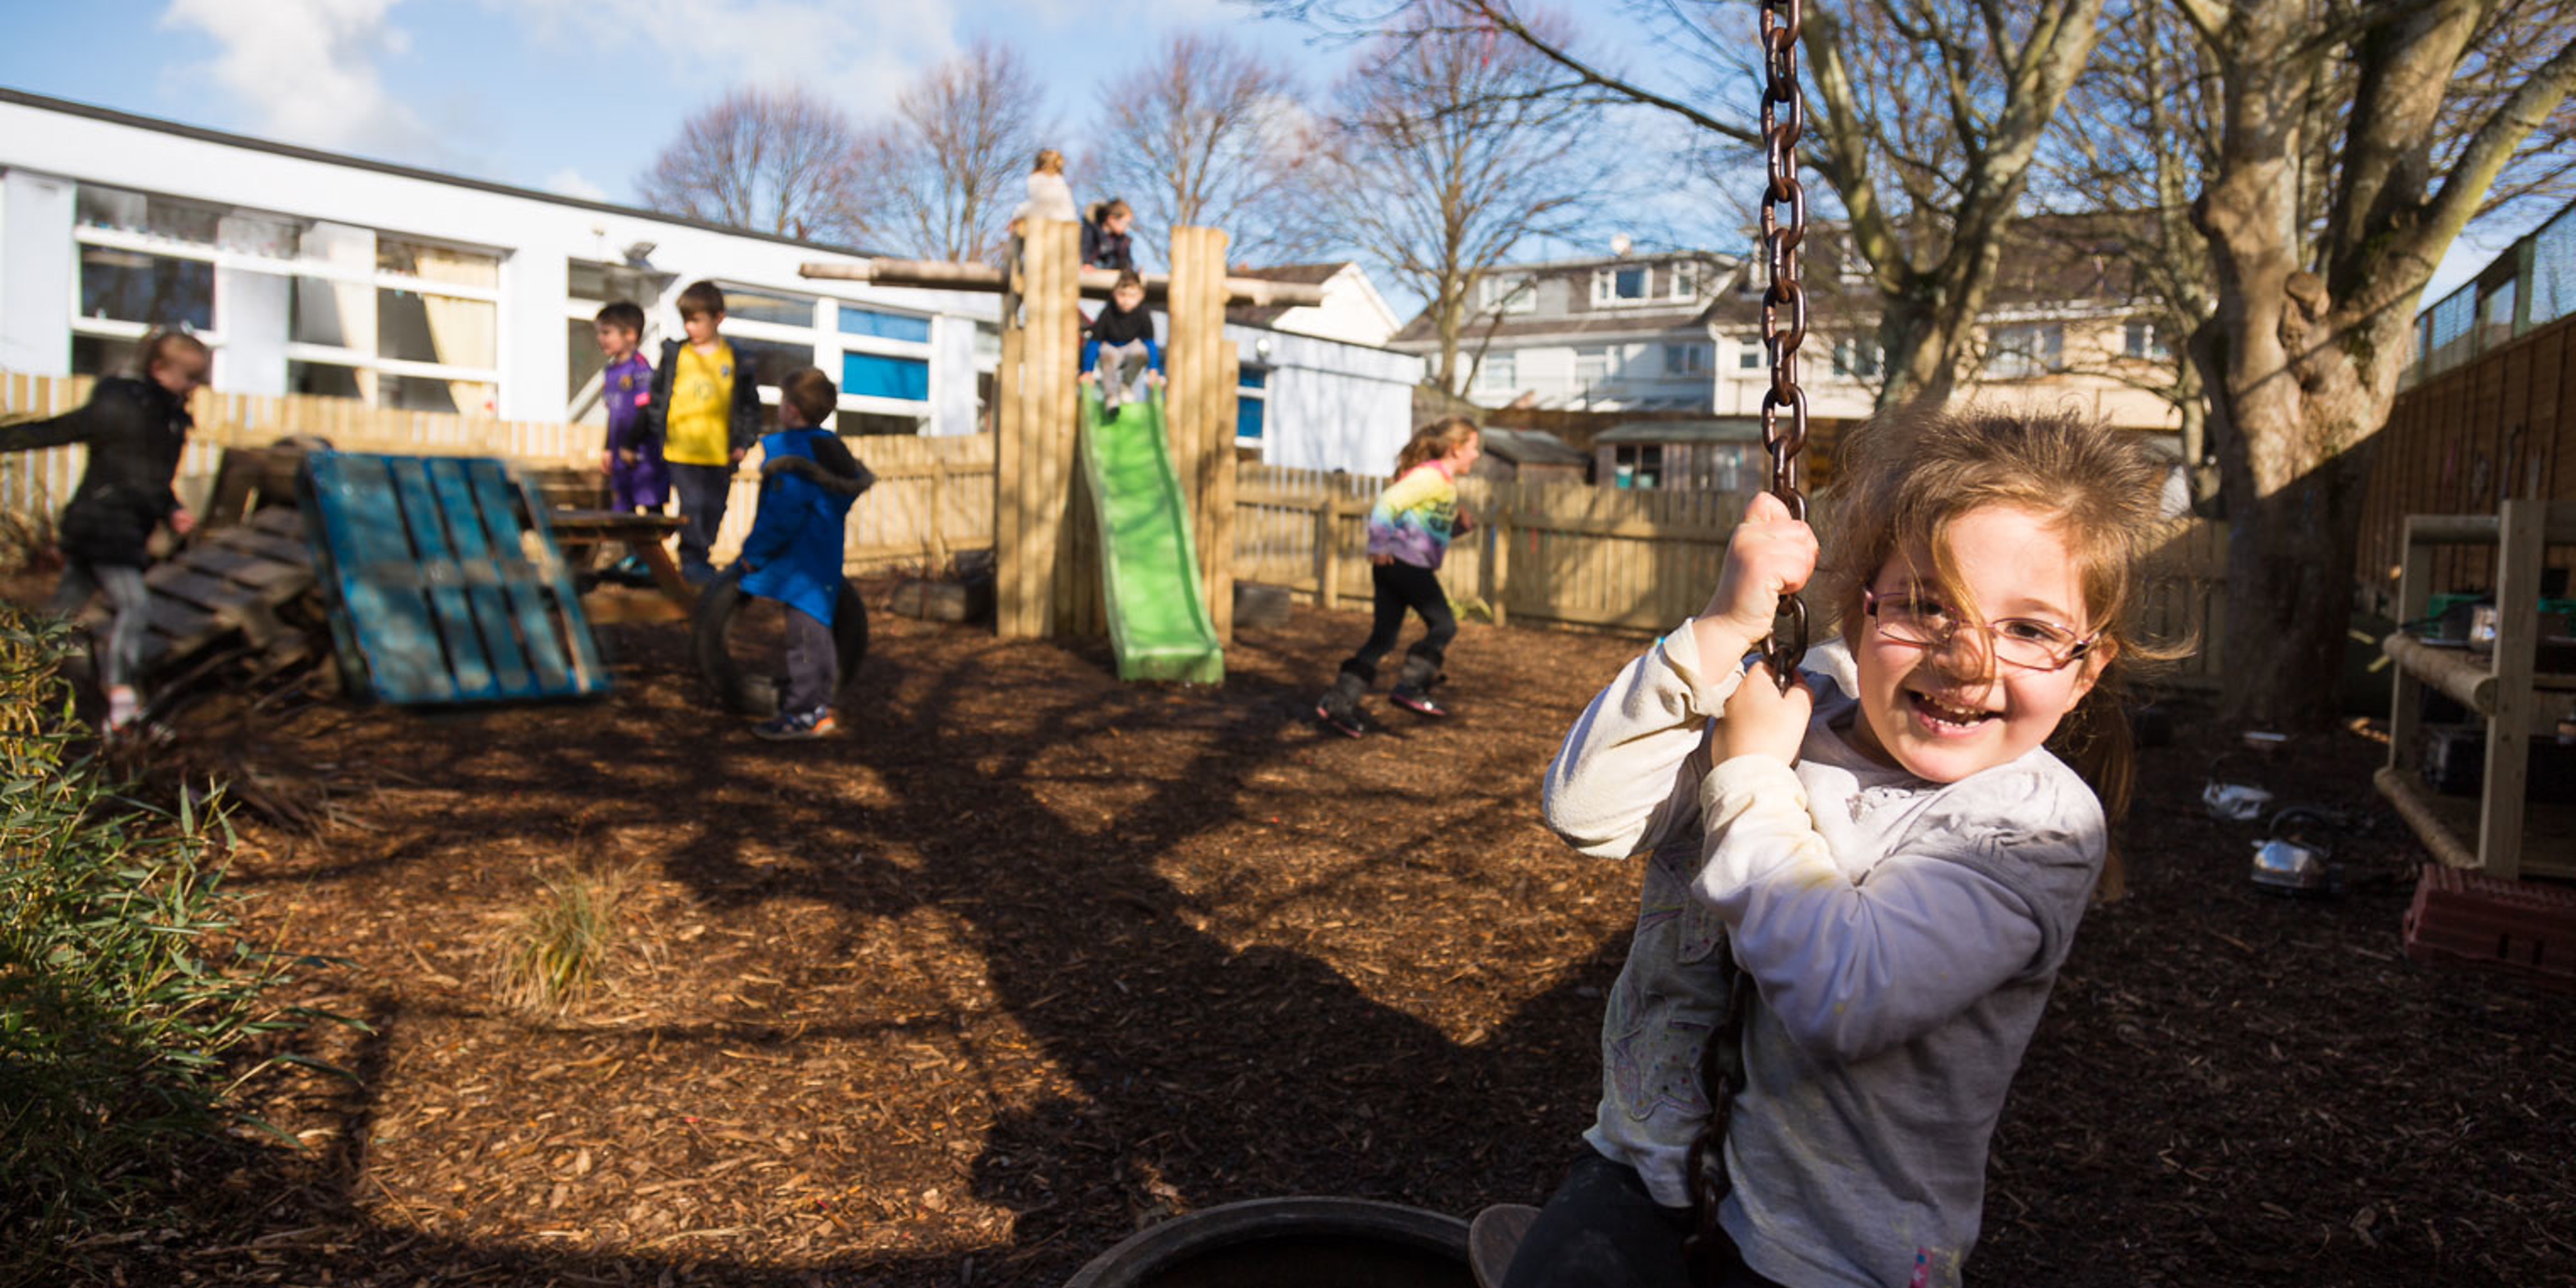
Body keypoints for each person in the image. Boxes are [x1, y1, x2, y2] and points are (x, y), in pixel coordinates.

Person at [1510, 407, 2173, 1288]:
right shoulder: (1796, 697)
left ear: (2087, 670)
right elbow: (1587, 812)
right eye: (1927, 605)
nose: (1969, 658)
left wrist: (1747, 773)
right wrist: (1715, 632)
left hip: (1829, 1248)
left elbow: (1844, 994)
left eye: (2030, 630)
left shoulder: (2035, 827)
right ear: (1860, 611)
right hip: (1648, 1165)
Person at [0, 330, 211, 732]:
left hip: (107, 525)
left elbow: (148, 476)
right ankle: (120, 695)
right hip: (106, 528)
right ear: (158, 370)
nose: (195, 386)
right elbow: (56, 430)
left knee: (64, 607)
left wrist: (172, 508)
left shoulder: (165, 415)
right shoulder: (123, 407)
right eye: (189, 377)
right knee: (133, 605)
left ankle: (26, 671)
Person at [1312, 417, 1479, 737]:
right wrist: (1378, 543)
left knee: (1383, 639)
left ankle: (1338, 703)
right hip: (1405, 564)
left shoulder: (1442, 483)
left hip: (1397, 565)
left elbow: (1427, 533)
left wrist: (1459, 529)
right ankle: (1412, 686)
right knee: (1444, 624)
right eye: (1474, 448)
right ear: (1457, 450)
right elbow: (1387, 503)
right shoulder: (1432, 477)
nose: (1477, 455)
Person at [734, 368, 875, 741]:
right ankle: (819, 708)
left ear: (792, 410)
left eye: (783, 401)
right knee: (816, 633)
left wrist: (754, 553)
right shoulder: (827, 449)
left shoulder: (794, 455)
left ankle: (805, 713)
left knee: (806, 641)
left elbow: (782, 514)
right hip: (821, 558)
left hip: (801, 564)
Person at [641, 280, 761, 585]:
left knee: (715, 506)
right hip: (681, 450)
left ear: (718, 317)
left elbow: (749, 406)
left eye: (696, 320)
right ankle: (692, 560)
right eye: (686, 321)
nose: (690, 327)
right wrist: (660, 433)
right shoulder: (675, 354)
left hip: (720, 452)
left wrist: (743, 444)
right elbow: (657, 397)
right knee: (692, 504)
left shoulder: (735, 360)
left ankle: (701, 555)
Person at [594, 301, 663, 515]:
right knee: (623, 512)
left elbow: (646, 409)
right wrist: (607, 448)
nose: (601, 338)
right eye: (599, 333)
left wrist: (630, 445)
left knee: (651, 511)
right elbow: (612, 414)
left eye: (607, 332)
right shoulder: (611, 371)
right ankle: (628, 550)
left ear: (630, 334)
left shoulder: (640, 369)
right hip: (619, 456)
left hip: (642, 456)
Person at [1078, 270, 1162, 415]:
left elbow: (1149, 343)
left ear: (1141, 296)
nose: (1126, 300)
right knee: (1107, 354)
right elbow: (1094, 343)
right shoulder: (1108, 313)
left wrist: (1154, 370)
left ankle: (1125, 385)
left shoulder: (1143, 314)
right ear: (1114, 293)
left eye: (1132, 296)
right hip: (1112, 348)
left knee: (1141, 352)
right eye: (1122, 295)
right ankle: (1110, 396)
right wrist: (1087, 371)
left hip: (1131, 348)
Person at [1010, 148, 1077, 235]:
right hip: (1066, 231)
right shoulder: (1061, 182)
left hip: (1049, 230)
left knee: (1018, 232)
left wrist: (1017, 214)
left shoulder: (1037, 179)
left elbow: (1041, 205)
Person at [1082, 198, 1136, 271]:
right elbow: (1084, 248)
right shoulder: (1091, 230)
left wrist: (1130, 270)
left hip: (1108, 269)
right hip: (1090, 266)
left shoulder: (1122, 239)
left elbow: (1126, 258)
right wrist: (1086, 263)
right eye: (1125, 223)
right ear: (1111, 219)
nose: (1127, 227)